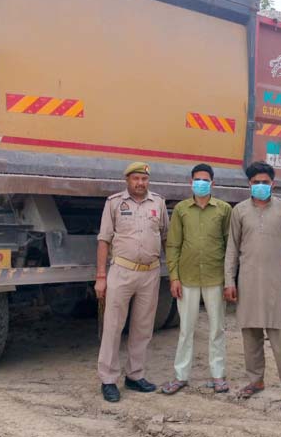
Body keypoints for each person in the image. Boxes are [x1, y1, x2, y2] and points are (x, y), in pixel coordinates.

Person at [224, 161, 281, 407]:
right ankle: (255, 380)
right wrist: (230, 281)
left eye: (265, 182)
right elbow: (232, 248)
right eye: (255, 182)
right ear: (249, 184)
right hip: (248, 281)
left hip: (278, 282)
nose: (260, 186)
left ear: (273, 183)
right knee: (250, 333)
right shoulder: (239, 210)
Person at [95, 162, 169, 402]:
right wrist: (100, 277)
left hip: (150, 273)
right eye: (136, 179)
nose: (140, 183)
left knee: (143, 328)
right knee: (113, 326)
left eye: (144, 179)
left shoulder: (158, 202)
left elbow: (166, 236)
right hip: (122, 272)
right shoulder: (115, 203)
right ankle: (108, 379)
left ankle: (135, 375)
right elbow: (104, 240)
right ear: (127, 180)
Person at [161, 164, 233, 395]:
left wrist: (229, 279)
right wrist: (174, 277)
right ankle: (181, 376)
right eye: (197, 179)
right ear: (191, 182)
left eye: (205, 179)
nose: (201, 183)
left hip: (215, 277)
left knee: (217, 329)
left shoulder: (223, 210)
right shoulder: (182, 210)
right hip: (188, 278)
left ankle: (218, 375)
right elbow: (173, 245)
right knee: (186, 329)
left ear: (212, 183)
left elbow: (229, 245)